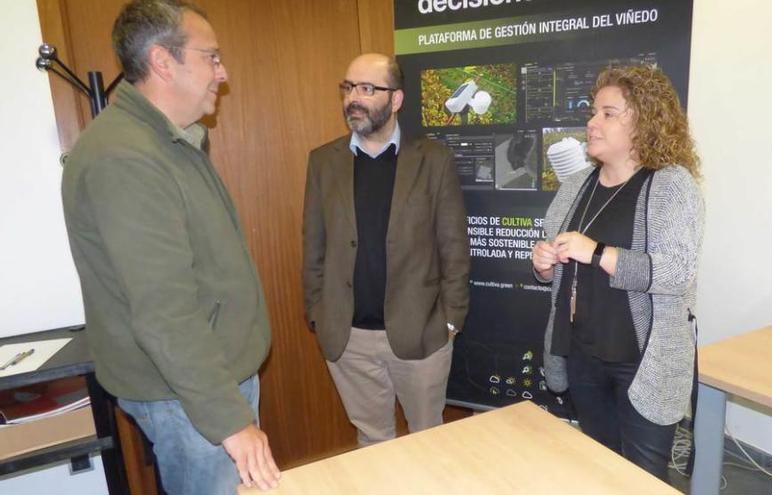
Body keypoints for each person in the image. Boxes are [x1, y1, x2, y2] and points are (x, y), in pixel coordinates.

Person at [61, 1, 280, 492]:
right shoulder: (125, 157)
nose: (222, 74)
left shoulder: (166, 140)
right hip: (189, 398)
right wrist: (229, 419)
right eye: (212, 57)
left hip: (204, 385)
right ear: (163, 62)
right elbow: (164, 311)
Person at [532, 65, 703, 482]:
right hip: (583, 354)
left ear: (645, 121)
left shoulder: (671, 185)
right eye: (594, 112)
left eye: (608, 113)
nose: (592, 123)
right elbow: (554, 269)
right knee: (600, 472)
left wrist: (599, 253)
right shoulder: (576, 185)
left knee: (642, 481)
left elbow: (676, 272)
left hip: (643, 362)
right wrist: (542, 263)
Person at [302, 53, 470, 447]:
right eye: (347, 88)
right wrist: (317, 312)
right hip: (349, 338)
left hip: (422, 333)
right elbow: (314, 244)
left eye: (366, 88)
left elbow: (454, 247)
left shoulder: (433, 160)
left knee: (427, 442)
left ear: (396, 99)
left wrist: (451, 321)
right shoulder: (323, 162)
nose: (352, 99)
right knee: (372, 443)